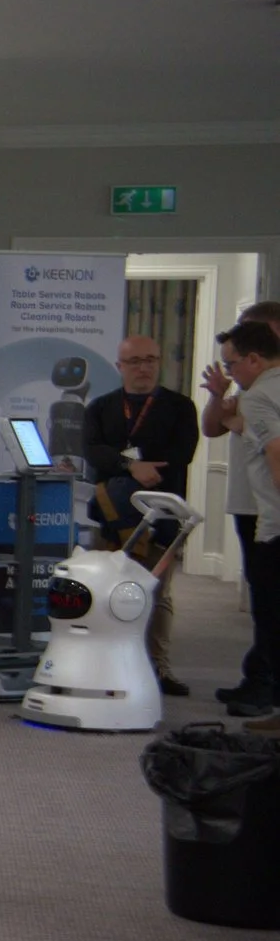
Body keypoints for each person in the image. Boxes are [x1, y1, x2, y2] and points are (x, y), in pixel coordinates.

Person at [83, 333, 200, 695]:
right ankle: (105, 665)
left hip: (162, 512)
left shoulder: (180, 407)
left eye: (150, 359)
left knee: (156, 593)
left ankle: (157, 667)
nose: (143, 368)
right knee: (108, 590)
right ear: (120, 367)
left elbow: (180, 453)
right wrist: (130, 467)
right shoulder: (101, 407)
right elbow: (93, 450)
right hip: (112, 513)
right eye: (135, 361)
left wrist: (141, 466)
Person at [201, 301, 280, 715]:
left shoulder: (263, 393)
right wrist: (221, 397)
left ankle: (267, 689)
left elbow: (276, 451)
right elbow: (213, 427)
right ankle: (259, 679)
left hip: (272, 511)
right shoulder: (249, 390)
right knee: (266, 598)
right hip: (250, 504)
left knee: (271, 603)